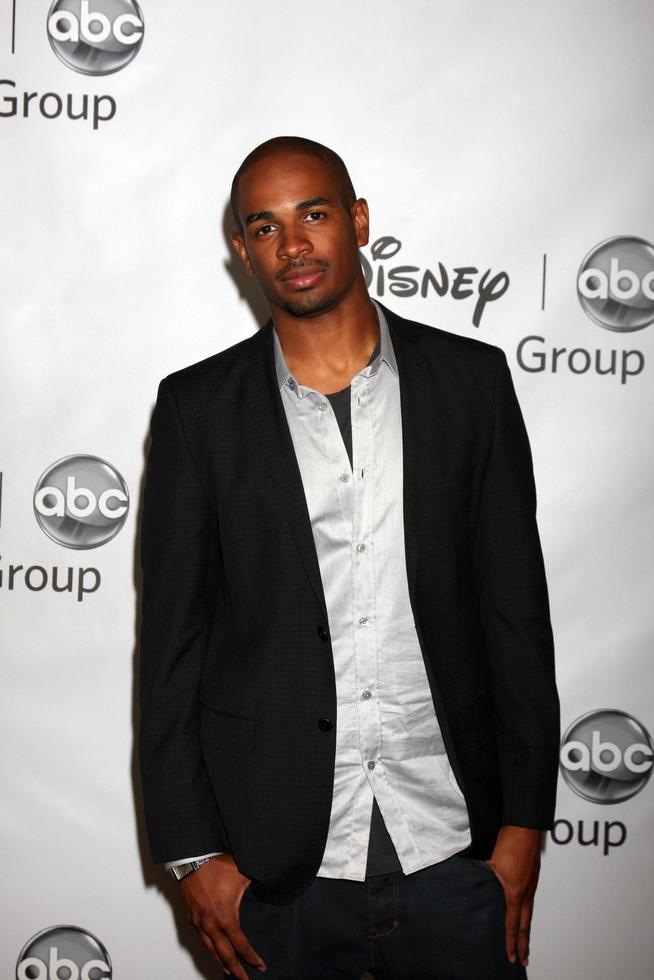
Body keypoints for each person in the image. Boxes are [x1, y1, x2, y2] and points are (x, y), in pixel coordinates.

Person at [139, 136, 560, 980]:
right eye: (265, 227)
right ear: (242, 250)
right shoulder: (196, 411)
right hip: (276, 874)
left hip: (455, 848)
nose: (293, 245)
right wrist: (193, 857)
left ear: (358, 221)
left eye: (314, 214)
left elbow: (515, 613)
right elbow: (171, 649)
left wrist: (523, 830)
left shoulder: (470, 383)